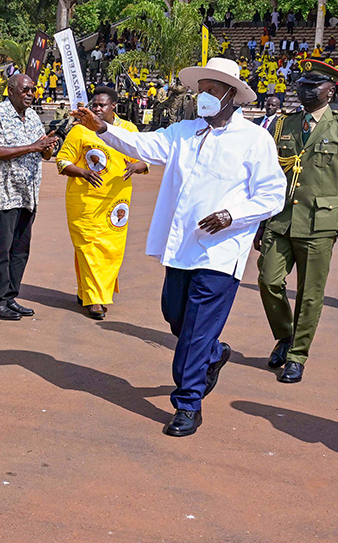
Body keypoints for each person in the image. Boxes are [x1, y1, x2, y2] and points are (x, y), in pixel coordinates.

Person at [72, 57, 286, 438]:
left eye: (212, 89)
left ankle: (188, 404)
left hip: (221, 251)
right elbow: (142, 144)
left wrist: (232, 215)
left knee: (195, 332)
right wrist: (102, 128)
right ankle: (215, 353)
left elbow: (272, 195)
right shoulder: (184, 132)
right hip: (182, 247)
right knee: (175, 317)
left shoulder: (255, 139)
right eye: (200, 89)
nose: (203, 96)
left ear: (232, 96)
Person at [256, 60, 338, 384]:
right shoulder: (283, 125)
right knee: (268, 282)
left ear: (331, 90)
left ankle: (297, 355)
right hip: (280, 219)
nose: (305, 90)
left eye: (314, 85)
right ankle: (285, 335)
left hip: (320, 224)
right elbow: (265, 176)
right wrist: (259, 222)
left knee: (310, 294)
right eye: (303, 84)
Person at [57, 87, 147, 320]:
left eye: (102, 105)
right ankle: (95, 300)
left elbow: (145, 159)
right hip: (84, 202)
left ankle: (85, 291)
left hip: (117, 203)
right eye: (94, 104)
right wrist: (82, 172)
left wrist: (136, 166)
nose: (96, 109)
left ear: (113, 106)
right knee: (88, 248)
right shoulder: (79, 131)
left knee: (111, 251)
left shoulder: (128, 129)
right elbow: (62, 160)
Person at [0, 74, 59, 320]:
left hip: (28, 194)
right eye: (25, 89)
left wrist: (47, 148)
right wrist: (34, 147)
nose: (30, 93)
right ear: (11, 90)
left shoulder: (33, 116)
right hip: (3, 194)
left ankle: (10, 296)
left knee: (20, 250)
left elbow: (43, 154)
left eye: (33, 90)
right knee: (1, 250)